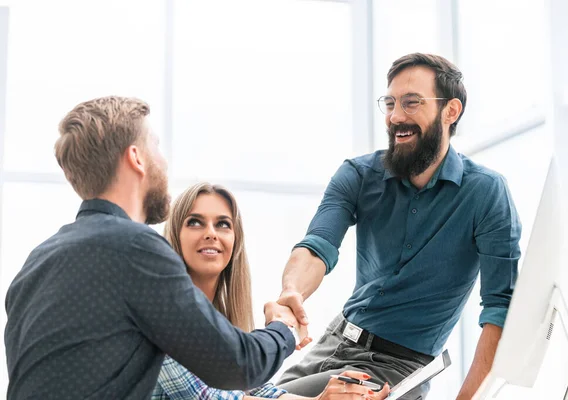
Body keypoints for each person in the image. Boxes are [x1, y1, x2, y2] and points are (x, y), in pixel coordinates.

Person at [4, 96, 299, 400]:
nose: (164, 161)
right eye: (156, 146)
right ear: (136, 158)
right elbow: (240, 364)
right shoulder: (134, 247)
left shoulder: (36, 262)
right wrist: (284, 328)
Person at [273, 53, 522, 400]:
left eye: (411, 103)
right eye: (389, 104)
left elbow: (501, 310)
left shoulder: (486, 193)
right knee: (253, 395)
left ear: (451, 111)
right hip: (334, 340)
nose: (395, 117)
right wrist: (293, 291)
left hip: (396, 368)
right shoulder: (358, 174)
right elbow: (318, 245)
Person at [152, 182, 391, 400]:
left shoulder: (219, 323)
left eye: (223, 224)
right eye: (195, 222)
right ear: (175, 235)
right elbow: (209, 398)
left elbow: (256, 390)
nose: (211, 233)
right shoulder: (161, 312)